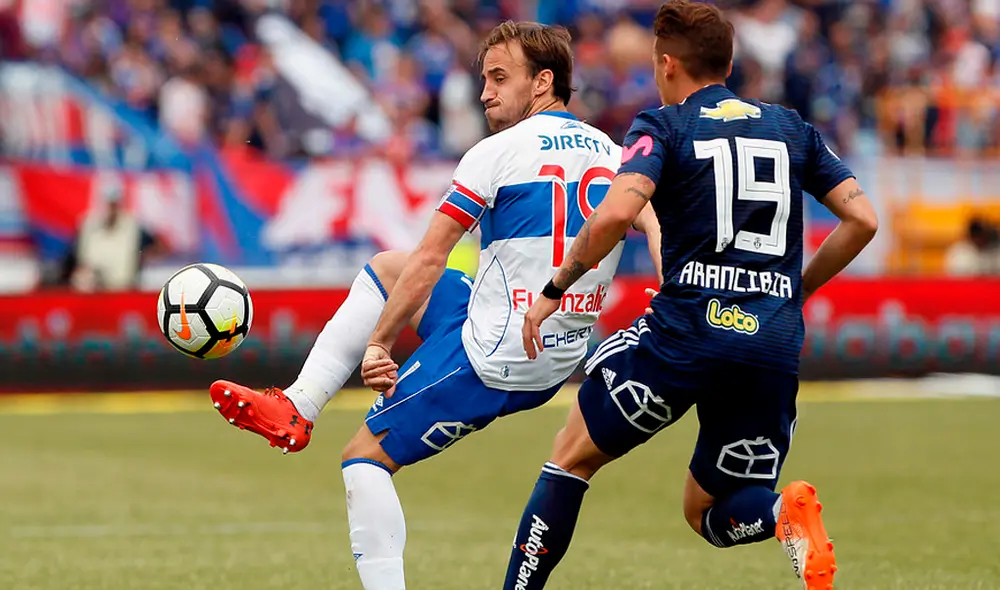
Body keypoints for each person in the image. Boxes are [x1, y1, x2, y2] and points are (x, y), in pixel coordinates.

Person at [208, 21, 662, 590]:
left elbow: (432, 256)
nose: (485, 93)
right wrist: (669, 288)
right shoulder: (618, 155)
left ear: (543, 81)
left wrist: (379, 344)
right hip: (556, 349)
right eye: (485, 79)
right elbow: (654, 223)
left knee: (364, 459)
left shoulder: (495, 152)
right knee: (387, 267)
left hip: (493, 355)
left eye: (500, 78)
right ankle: (297, 406)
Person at [502, 3, 878, 590]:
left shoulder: (664, 125)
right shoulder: (790, 128)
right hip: (769, 344)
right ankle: (781, 513)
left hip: (684, 336)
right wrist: (795, 291)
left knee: (571, 456)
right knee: (709, 511)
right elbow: (862, 220)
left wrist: (556, 288)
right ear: (726, 64)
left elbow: (616, 214)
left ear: (668, 64)